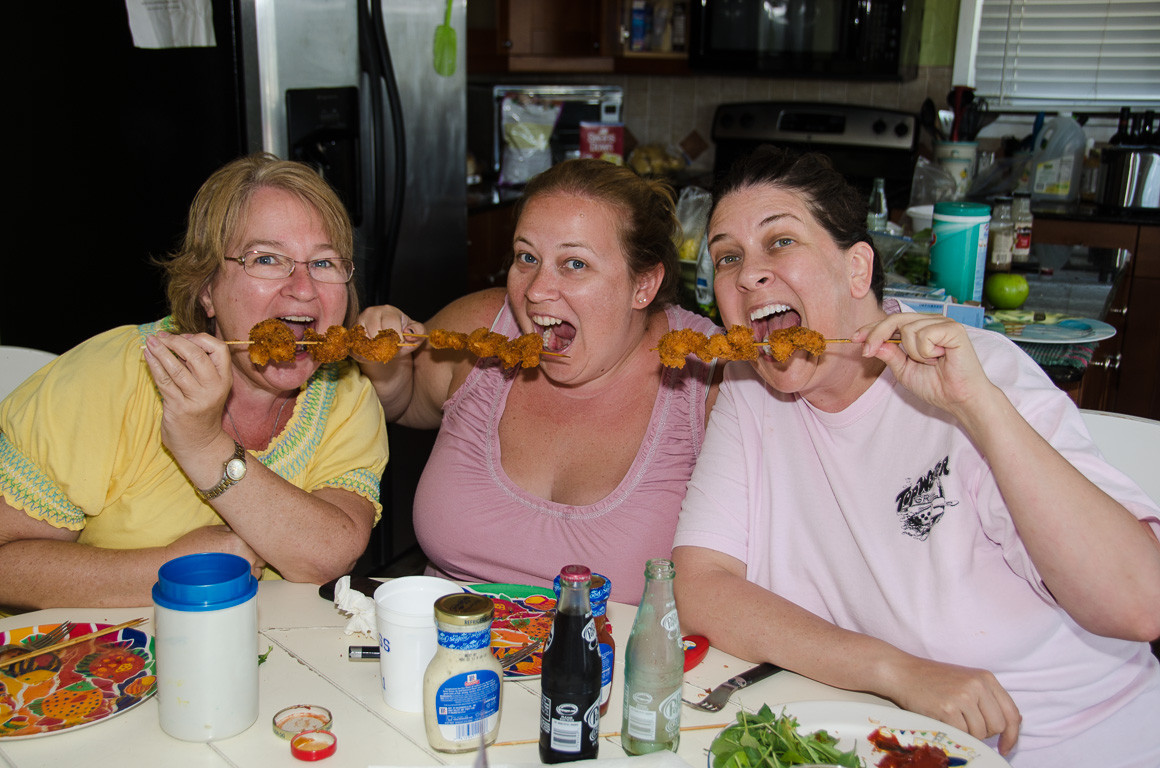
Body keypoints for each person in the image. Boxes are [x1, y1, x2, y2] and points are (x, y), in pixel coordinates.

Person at [672, 147, 1160, 767]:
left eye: (781, 242)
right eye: (728, 258)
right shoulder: (749, 389)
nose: (747, 276)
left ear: (857, 271)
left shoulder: (980, 373)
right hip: (897, 736)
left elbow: (1141, 604)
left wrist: (977, 408)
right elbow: (702, 586)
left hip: (1081, 740)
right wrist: (897, 671)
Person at [0, 153, 389, 612]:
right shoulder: (112, 378)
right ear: (206, 289)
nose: (303, 288)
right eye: (266, 259)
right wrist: (169, 570)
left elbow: (326, 557)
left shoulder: (343, 392)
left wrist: (204, 445)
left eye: (324, 263)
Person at [358, 159, 722, 603]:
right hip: (448, 650)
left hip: (611, 664)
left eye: (574, 263)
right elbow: (404, 401)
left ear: (643, 284)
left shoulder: (712, 375)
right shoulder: (485, 328)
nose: (535, 291)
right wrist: (385, 365)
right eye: (527, 257)